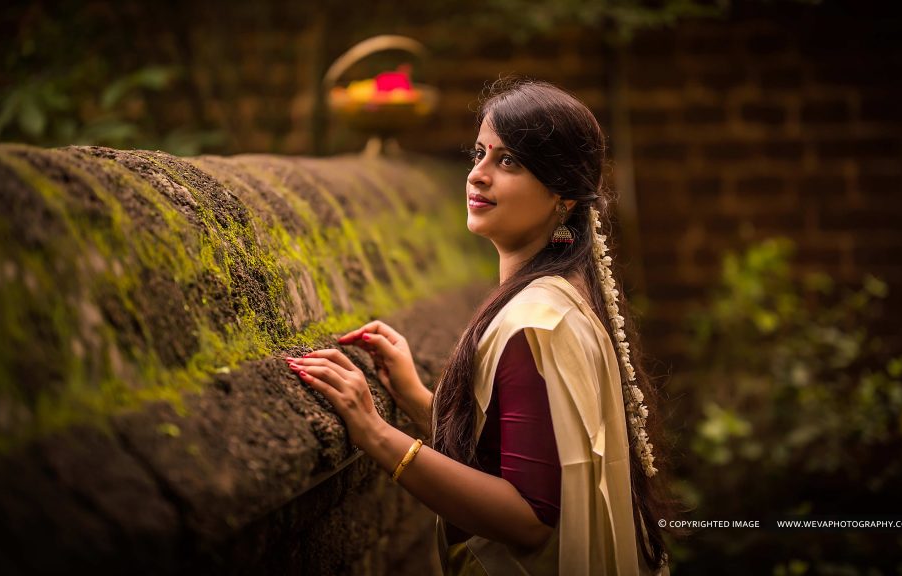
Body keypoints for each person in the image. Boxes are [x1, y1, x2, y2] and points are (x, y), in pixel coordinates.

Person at [283, 78, 672, 575]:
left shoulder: (537, 324)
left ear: (563, 196)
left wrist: (375, 433)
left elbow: (530, 519)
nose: (477, 175)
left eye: (508, 161)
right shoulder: (559, 296)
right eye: (479, 153)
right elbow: (505, 457)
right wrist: (416, 398)